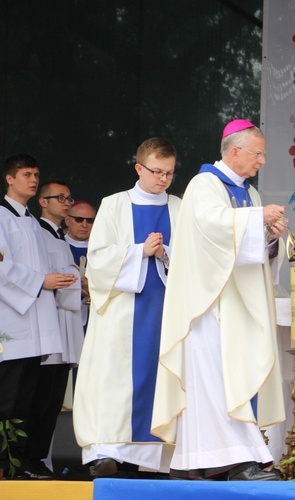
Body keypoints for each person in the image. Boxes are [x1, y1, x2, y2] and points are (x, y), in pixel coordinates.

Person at [151, 120, 286, 481]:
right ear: (236, 151)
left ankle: (194, 460)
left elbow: (249, 252)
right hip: (207, 306)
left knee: (227, 380)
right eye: (258, 154)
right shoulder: (204, 184)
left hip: (237, 305)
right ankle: (235, 459)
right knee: (214, 382)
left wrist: (270, 237)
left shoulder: (250, 194)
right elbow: (210, 228)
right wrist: (256, 219)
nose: (262, 161)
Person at [73, 138, 181, 477]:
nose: (163, 179)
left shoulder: (180, 207)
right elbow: (98, 262)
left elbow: (197, 261)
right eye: (156, 171)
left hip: (166, 310)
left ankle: (158, 458)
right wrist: (139, 252)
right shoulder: (114, 205)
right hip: (121, 312)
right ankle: (106, 451)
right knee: (113, 379)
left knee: (162, 377)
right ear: (139, 168)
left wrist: (166, 254)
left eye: (170, 173)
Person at [0, 154, 76, 479]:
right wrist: (40, 282)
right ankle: (5, 465)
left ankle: (23, 463)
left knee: (28, 402)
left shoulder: (32, 221)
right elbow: (3, 268)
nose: (33, 179)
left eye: (36, 174)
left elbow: (42, 270)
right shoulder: (1, 217)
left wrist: (62, 279)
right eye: (26, 174)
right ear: (10, 178)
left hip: (36, 326)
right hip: (13, 326)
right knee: (8, 402)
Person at [34, 180, 85, 472]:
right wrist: (74, 281)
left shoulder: (57, 237)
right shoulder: (35, 232)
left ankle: (42, 459)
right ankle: (34, 458)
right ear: (43, 201)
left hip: (62, 320)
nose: (67, 203)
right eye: (60, 198)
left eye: (69, 198)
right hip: (45, 323)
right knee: (41, 400)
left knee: (51, 401)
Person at [65, 200, 96, 328]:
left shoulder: (101, 248)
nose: (84, 224)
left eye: (89, 221)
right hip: (65, 311)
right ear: (67, 220)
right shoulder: (58, 244)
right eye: (79, 219)